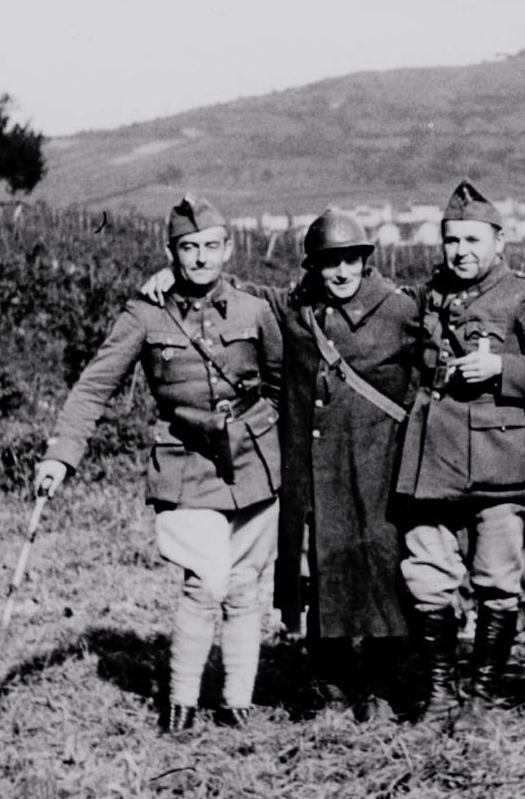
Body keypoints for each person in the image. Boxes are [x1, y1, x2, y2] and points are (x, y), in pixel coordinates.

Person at [143, 210, 421, 719]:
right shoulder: (296, 308)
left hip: (378, 464)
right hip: (317, 468)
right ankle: (333, 686)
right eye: (327, 263)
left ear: (365, 260)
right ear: (312, 267)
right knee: (322, 572)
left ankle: (383, 686)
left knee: (380, 567)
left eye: (349, 261)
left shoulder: (399, 309)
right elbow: (238, 291)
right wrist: (174, 278)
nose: (339, 273)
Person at [33, 196, 283, 733]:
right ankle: (181, 706)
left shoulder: (254, 308)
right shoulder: (145, 314)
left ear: (229, 249)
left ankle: (238, 704)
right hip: (187, 462)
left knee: (243, 585)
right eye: (188, 249)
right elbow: (94, 386)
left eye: (211, 247)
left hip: (256, 462)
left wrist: (264, 424)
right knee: (202, 583)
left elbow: (282, 377)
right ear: (171, 252)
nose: (200, 260)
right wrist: (61, 454)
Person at [393, 180, 525, 729]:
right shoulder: (429, 296)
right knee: (427, 577)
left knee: (497, 581)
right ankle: (439, 694)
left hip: (500, 463)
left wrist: (505, 370)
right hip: (433, 459)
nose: (461, 252)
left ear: (499, 242)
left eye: (474, 240)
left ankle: (480, 699)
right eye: (452, 240)